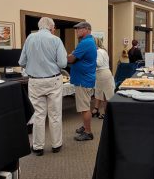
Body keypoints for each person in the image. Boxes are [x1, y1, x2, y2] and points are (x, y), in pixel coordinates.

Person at [19, 17, 67, 156]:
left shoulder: (30, 38)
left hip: (35, 82)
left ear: (39, 26)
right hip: (53, 80)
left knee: (38, 115)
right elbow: (63, 64)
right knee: (55, 114)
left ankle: (38, 147)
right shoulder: (56, 40)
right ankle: (56, 145)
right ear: (51, 27)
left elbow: (22, 62)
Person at [67, 21, 97, 141]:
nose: (76, 31)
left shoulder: (85, 43)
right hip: (84, 79)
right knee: (82, 106)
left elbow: (71, 59)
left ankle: (88, 132)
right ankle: (85, 127)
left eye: (79, 29)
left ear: (87, 29)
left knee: (84, 107)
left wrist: (69, 56)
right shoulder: (87, 42)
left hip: (83, 80)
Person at [91, 37, 115, 119]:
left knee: (106, 95)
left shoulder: (98, 52)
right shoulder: (102, 51)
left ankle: (108, 114)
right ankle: (102, 112)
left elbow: (99, 63)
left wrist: (90, 59)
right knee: (102, 94)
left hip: (102, 74)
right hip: (102, 74)